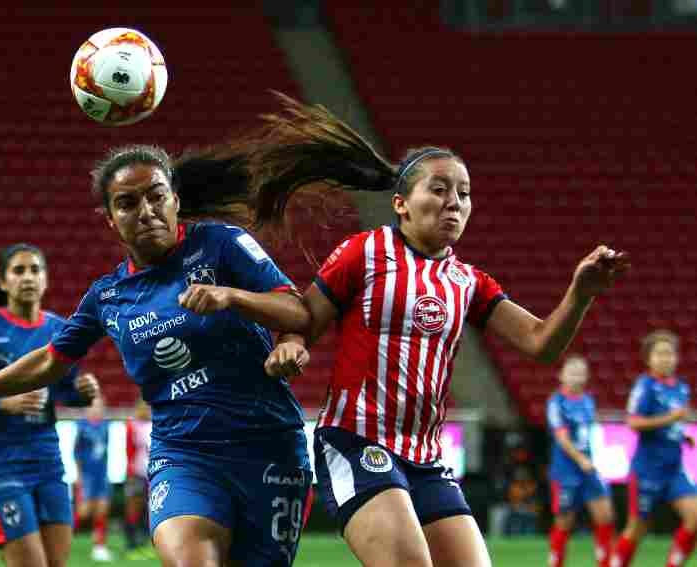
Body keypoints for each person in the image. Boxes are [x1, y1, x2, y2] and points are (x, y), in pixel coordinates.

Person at [252, 96, 630, 567]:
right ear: (401, 204)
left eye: (464, 192)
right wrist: (289, 347)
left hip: (426, 460)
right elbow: (303, 319)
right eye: (439, 188)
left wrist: (581, 292)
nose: (454, 201)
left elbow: (540, 344)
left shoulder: (468, 281)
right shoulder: (363, 253)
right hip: (356, 441)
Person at [0, 144, 314, 567]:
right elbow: (50, 360)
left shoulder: (222, 245)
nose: (145, 211)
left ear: (175, 201)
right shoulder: (107, 297)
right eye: (128, 203)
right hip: (183, 453)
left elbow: (297, 310)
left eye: (156, 196)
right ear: (111, 220)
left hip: (268, 444)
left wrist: (234, 299)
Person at [0, 245, 100, 567]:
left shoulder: (59, 330)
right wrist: (1, 403)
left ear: (46, 280)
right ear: (3, 282)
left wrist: (82, 393)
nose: (28, 277)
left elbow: (64, 392)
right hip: (3, 468)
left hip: (49, 465)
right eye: (18, 271)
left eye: (35, 270)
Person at [611, 330, 697, 567]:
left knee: (695, 518)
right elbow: (634, 422)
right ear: (649, 358)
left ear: (677, 358)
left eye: (669, 353)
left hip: (674, 469)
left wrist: (682, 436)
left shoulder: (681, 387)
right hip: (647, 470)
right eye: (659, 353)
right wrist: (671, 419)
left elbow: (673, 422)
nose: (665, 358)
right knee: (637, 529)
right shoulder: (645, 386)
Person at [546, 355, 614, 567]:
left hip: (589, 469)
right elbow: (562, 438)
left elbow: (590, 434)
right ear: (562, 375)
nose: (576, 377)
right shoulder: (556, 402)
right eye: (572, 372)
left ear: (586, 377)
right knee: (564, 522)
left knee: (605, 516)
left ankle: (604, 563)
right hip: (566, 470)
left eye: (580, 373)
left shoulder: (587, 401)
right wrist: (581, 459)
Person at [73, 393, 113, 562]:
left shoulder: (106, 426)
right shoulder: (81, 426)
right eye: (94, 405)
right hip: (87, 475)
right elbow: (76, 453)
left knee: (102, 509)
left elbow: (106, 451)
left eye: (100, 406)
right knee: (84, 512)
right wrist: (79, 475)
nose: (97, 409)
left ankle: (99, 547)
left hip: (102, 474)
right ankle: (65, 534)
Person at [124, 398, 153, 558]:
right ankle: (131, 545)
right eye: (143, 408)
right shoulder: (132, 425)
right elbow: (129, 450)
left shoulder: (154, 424)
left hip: (152, 473)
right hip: (136, 472)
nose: (146, 411)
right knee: (133, 508)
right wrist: (130, 472)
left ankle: (144, 543)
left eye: (148, 408)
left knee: (149, 509)